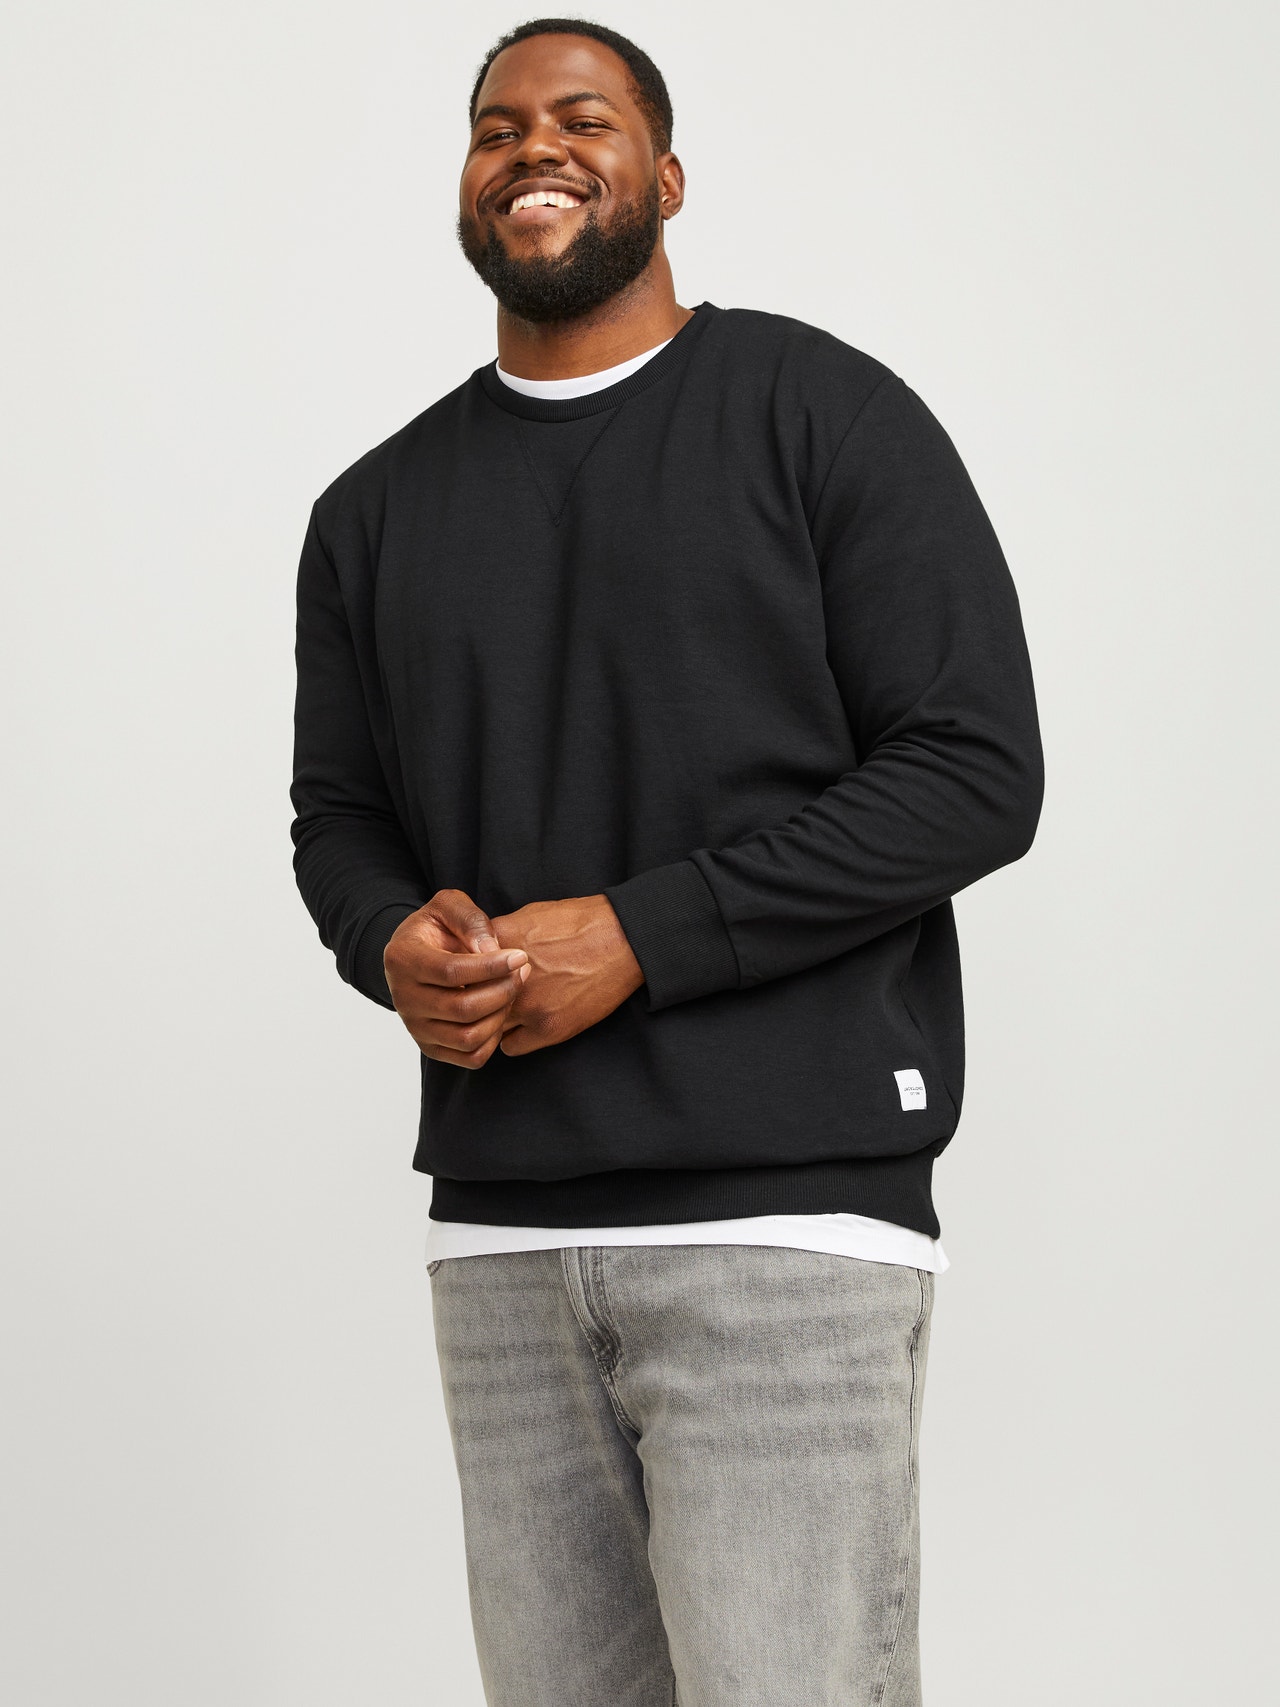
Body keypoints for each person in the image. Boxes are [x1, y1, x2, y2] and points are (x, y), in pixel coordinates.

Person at [289, 18, 1043, 1705]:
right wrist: (391, 939)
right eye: (496, 128)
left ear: (668, 177)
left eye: (583, 119)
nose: (534, 149)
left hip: (788, 1223)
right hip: (499, 1239)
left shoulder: (823, 416)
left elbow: (976, 773)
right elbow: (337, 817)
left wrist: (643, 935)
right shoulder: (372, 511)